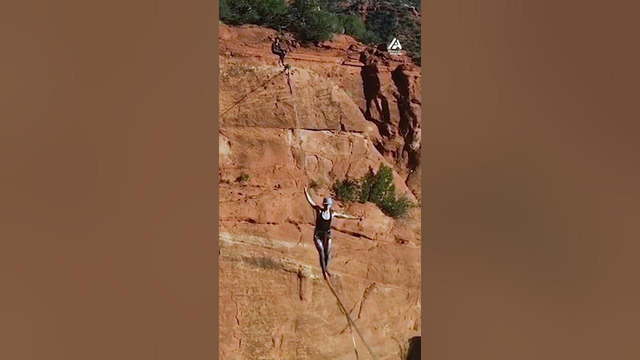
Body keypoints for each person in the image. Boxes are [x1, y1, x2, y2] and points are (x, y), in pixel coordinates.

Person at [304, 185, 360, 279]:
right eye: (326, 205)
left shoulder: (332, 213)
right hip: (318, 234)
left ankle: (326, 268)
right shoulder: (319, 210)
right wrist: (305, 191)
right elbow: (311, 202)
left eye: (328, 205)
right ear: (324, 205)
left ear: (330, 205)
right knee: (321, 250)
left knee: (328, 250)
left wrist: (355, 218)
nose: (327, 206)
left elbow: (344, 216)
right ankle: (323, 270)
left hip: (327, 233)